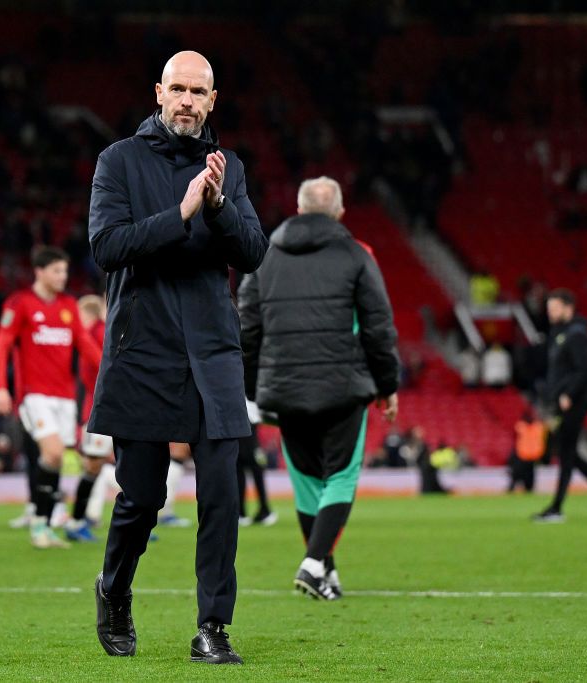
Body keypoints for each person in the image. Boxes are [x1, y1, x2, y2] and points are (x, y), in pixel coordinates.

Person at [89, 51, 266, 665]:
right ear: (158, 92)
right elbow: (109, 247)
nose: (188, 101)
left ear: (213, 100)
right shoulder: (118, 161)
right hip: (144, 349)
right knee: (142, 498)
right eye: (179, 89)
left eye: (200, 91)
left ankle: (212, 628)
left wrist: (216, 205)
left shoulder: (229, 168)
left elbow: (253, 253)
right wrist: (183, 211)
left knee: (221, 494)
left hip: (214, 352)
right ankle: (113, 589)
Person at [239, 176, 400, 602]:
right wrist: (388, 385)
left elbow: (246, 327)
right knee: (341, 478)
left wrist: (252, 388)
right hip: (343, 387)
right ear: (340, 213)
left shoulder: (264, 256)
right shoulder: (357, 254)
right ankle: (313, 564)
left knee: (308, 481)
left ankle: (325, 569)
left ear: (298, 207)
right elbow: (378, 326)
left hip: (285, 388)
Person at [0, 245, 103, 549]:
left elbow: (85, 345)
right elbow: (1, 346)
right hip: (34, 395)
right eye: (56, 270)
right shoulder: (21, 303)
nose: (62, 276)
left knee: (53, 461)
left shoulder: (68, 305)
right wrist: (0, 386)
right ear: (39, 272)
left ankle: (43, 523)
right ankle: (42, 523)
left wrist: (111, 371)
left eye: (65, 271)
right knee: (52, 453)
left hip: (65, 398)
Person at [532, 289, 587, 522]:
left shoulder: (577, 335)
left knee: (567, 452)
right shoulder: (559, 334)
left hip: (575, 401)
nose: (550, 313)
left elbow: (584, 370)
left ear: (568, 307)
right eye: (549, 309)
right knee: (568, 454)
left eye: (554, 308)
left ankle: (557, 508)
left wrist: (568, 394)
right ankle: (562, 506)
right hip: (563, 401)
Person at [64, 294, 110, 543]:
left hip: (101, 409)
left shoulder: (97, 333)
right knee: (94, 464)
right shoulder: (92, 334)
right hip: (100, 409)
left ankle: (77, 520)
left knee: (97, 465)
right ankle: (75, 521)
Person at [237, 399, 276, 527]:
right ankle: (244, 512)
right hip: (244, 421)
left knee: (249, 469)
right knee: (242, 469)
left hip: (247, 421)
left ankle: (262, 510)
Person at [508, 411, 544, 493]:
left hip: (525, 456)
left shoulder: (523, 427)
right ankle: (523, 487)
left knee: (519, 475)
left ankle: (519, 487)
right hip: (528, 456)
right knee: (525, 475)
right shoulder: (537, 427)